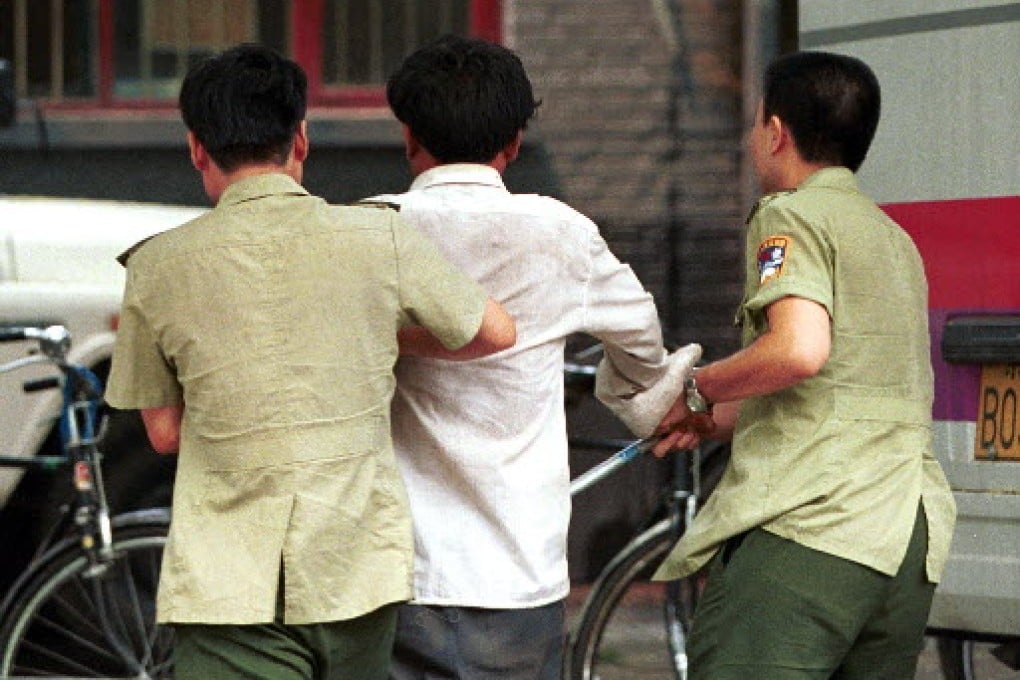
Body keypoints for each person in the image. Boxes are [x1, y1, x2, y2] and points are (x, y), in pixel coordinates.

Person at [105, 43, 516, 680]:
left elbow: (163, 432)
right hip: (355, 568)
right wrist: (382, 338)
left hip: (228, 584)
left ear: (196, 148)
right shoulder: (379, 236)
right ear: (301, 138)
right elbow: (495, 331)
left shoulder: (155, 266)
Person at [368, 34, 699, 680]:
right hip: (516, 574)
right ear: (515, 142)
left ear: (408, 136)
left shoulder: (371, 228)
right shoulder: (560, 234)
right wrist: (642, 395)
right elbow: (641, 342)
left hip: (395, 572)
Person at [651, 51, 957, 679]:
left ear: (775, 132)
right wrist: (714, 419)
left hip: (813, 527)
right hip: (904, 536)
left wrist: (698, 387)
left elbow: (798, 350)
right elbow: (845, 391)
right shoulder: (893, 238)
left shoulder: (788, 214)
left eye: (754, 121)